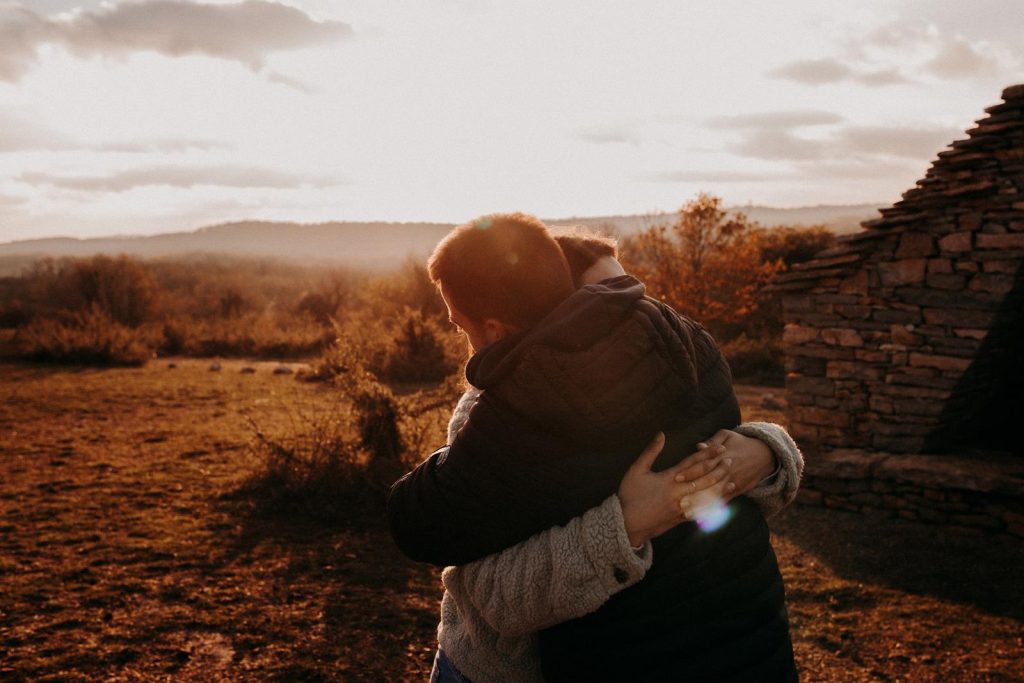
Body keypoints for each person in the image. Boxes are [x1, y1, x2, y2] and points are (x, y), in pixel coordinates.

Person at [389, 214, 798, 681]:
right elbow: (712, 491)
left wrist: (762, 451)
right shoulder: (689, 351)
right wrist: (641, 516)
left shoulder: (510, 411)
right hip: (753, 647)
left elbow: (493, 595)